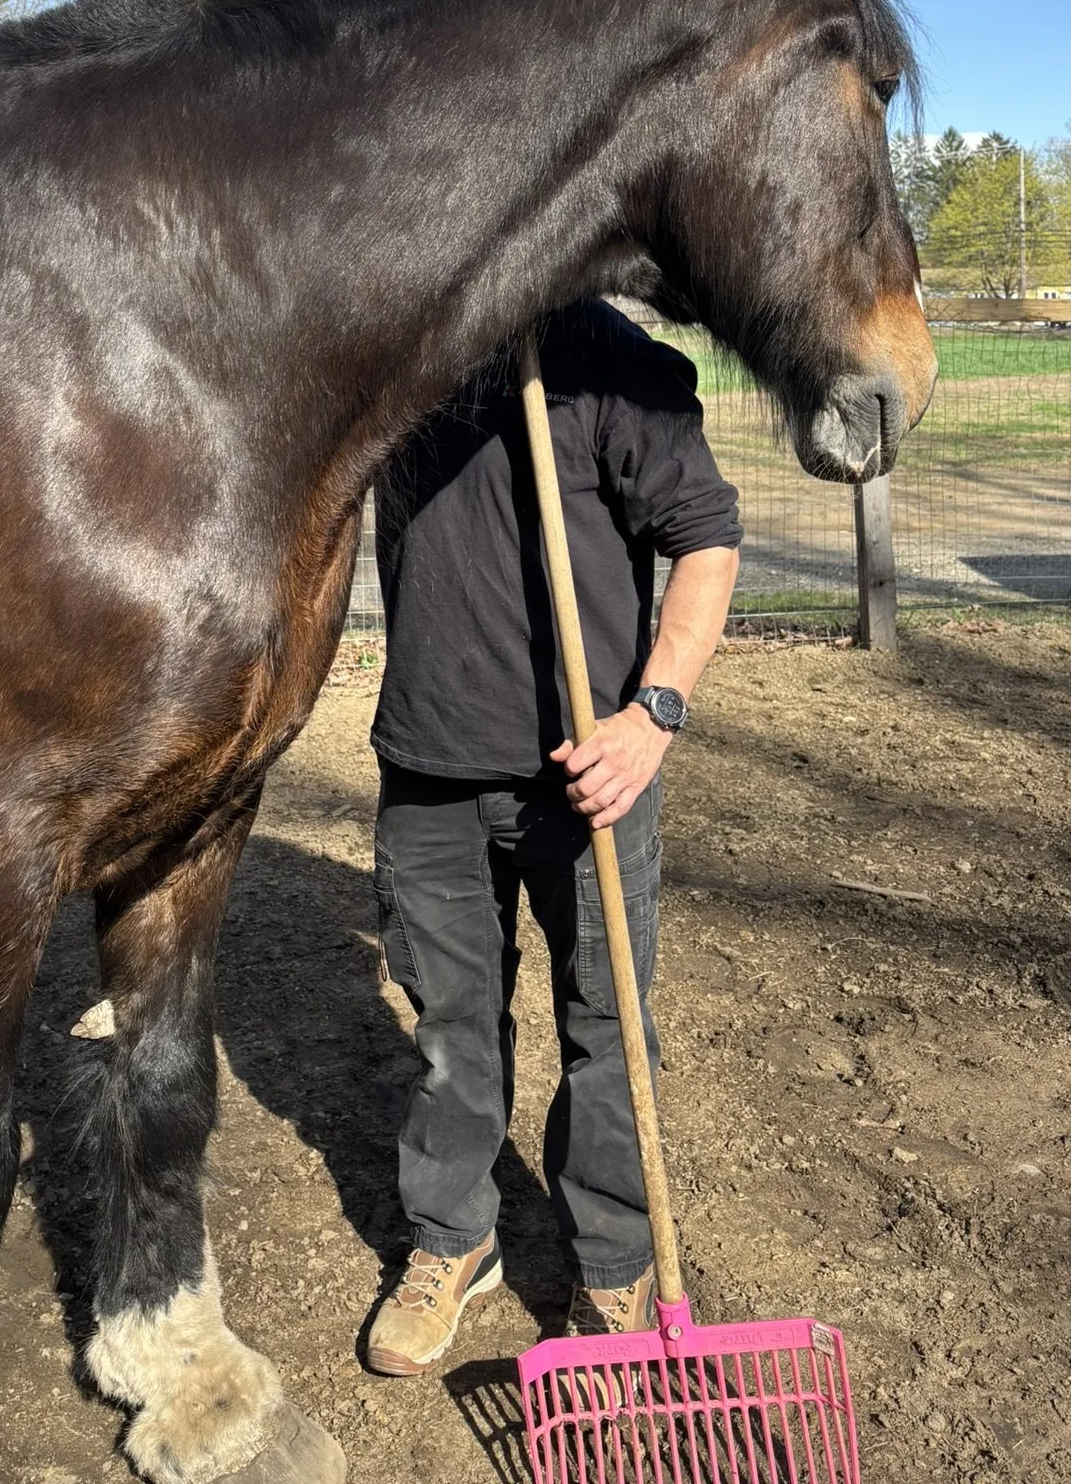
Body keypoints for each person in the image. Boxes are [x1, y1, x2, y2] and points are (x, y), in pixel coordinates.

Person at [362, 298, 742, 1376]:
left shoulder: (619, 369)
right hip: (429, 766)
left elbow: (706, 542)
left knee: (610, 1029)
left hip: (590, 781)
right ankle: (453, 1239)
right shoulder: (400, 348)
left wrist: (652, 715)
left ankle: (615, 1261)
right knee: (451, 1027)